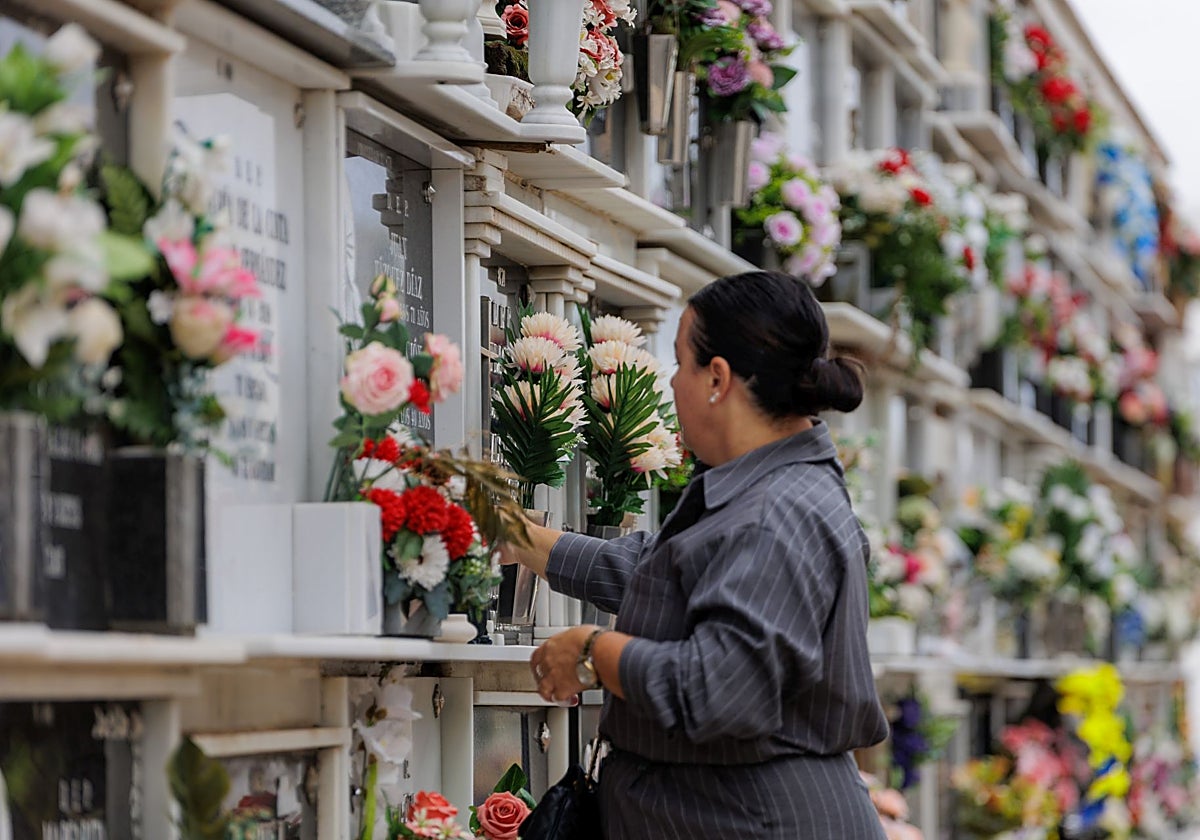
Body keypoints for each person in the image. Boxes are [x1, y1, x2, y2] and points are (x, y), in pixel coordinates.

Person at [504, 271, 890, 838]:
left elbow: (721, 689)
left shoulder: (775, 512)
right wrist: (512, 532)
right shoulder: (768, 489)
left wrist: (592, 650)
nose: (671, 382)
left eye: (681, 363)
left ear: (717, 378)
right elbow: (659, 580)